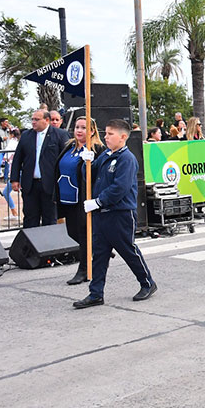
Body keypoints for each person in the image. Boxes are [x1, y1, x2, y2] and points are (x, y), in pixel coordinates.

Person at [73, 119, 156, 309]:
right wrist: (87, 162)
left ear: (123, 136)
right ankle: (96, 293)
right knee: (99, 255)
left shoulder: (127, 159)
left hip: (120, 214)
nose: (106, 137)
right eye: (106, 133)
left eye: (110, 134)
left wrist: (98, 201)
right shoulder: (106, 155)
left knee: (128, 251)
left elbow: (120, 188)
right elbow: (91, 176)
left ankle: (147, 283)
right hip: (102, 215)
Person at [55, 117, 106, 285]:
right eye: (77, 127)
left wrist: (91, 162)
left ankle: (84, 269)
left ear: (92, 131)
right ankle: (96, 247)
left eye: (84, 128)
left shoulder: (96, 149)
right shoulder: (69, 147)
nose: (79, 130)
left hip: (83, 199)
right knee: (72, 232)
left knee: (83, 233)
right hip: (66, 197)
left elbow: (101, 174)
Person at [9, 110, 66, 228]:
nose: (33, 122)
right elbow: (18, 159)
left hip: (50, 186)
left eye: (36, 119)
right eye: (32, 119)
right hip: (30, 185)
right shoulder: (26, 136)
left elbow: (65, 159)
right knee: (30, 218)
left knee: (50, 219)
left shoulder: (59, 135)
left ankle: (49, 246)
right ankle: (29, 246)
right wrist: (14, 179)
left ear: (46, 120)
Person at [1, 128, 20, 221]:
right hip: (18, 171)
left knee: (6, 192)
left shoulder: (12, 143)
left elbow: (7, 157)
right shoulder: (18, 142)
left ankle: (14, 213)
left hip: (15, 171)